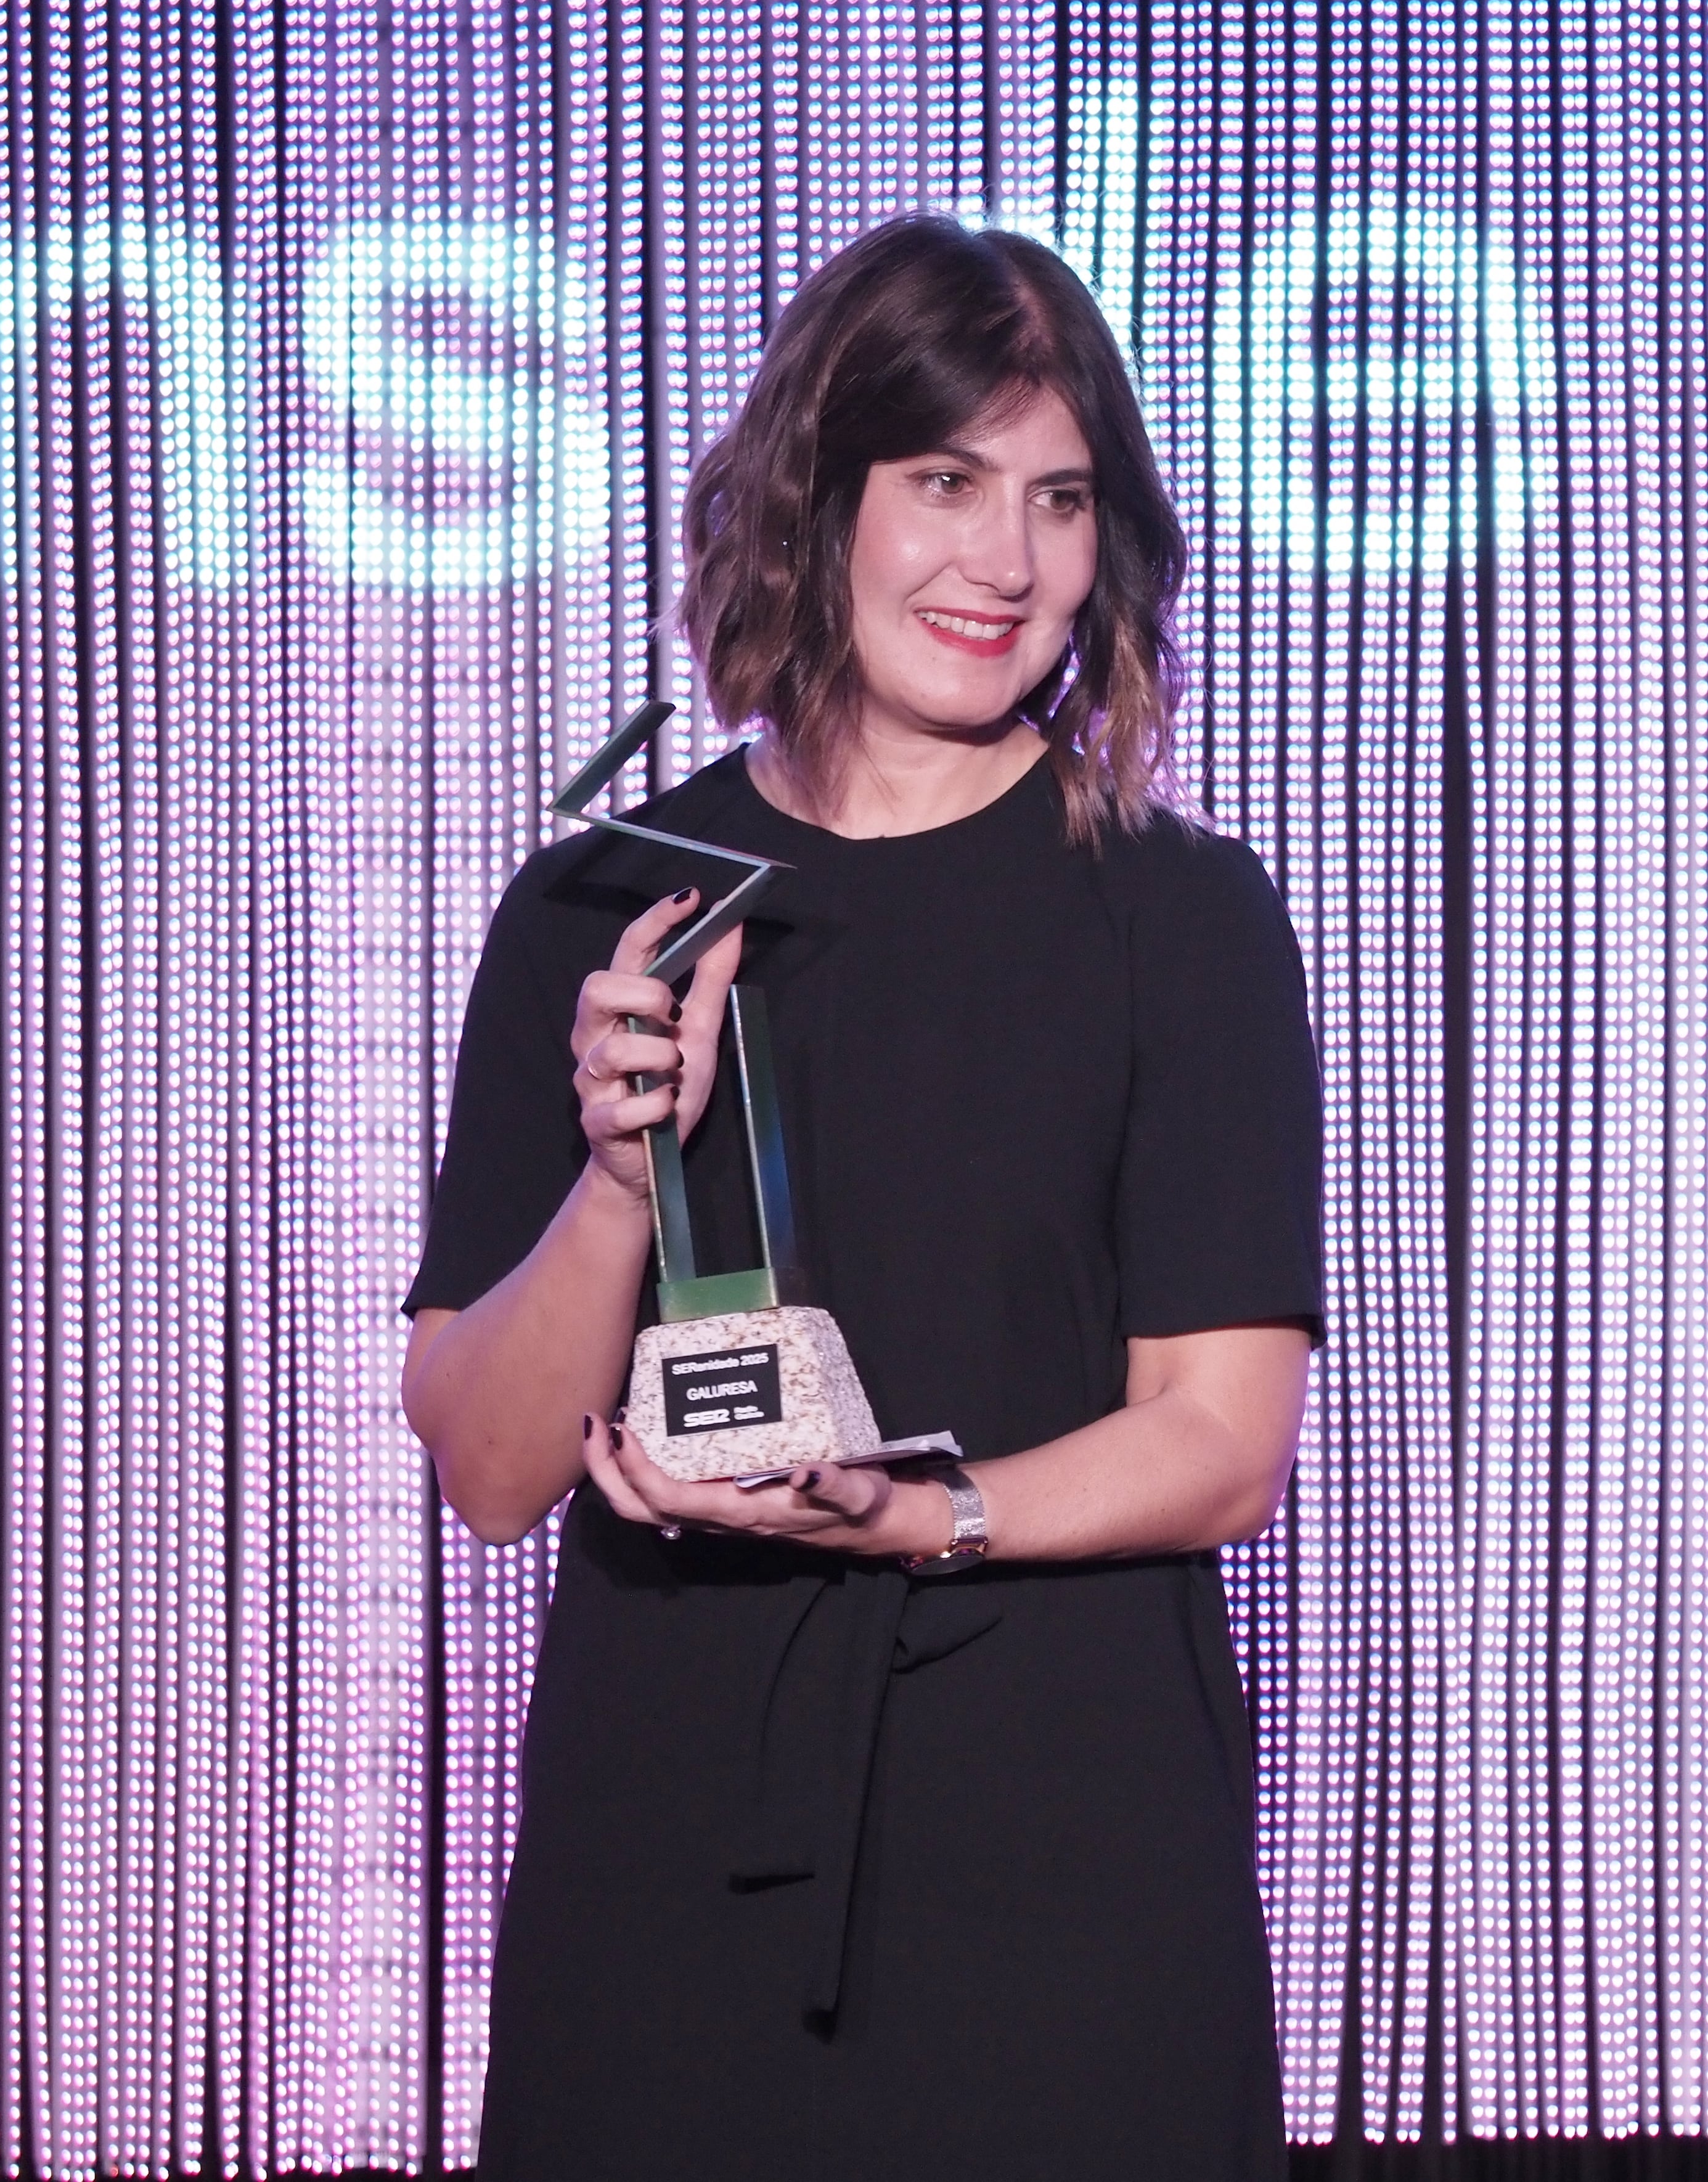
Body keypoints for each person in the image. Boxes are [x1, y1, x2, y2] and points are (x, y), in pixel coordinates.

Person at [402, 216, 1322, 2180]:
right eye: (945, 483)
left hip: (1072, 1848)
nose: (1005, 561)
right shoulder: (599, 905)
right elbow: (487, 1466)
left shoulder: (1186, 918)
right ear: (817, 502)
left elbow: (1223, 1445)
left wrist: (917, 1516)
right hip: (674, 1836)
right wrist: (616, 1170)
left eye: (1059, 499)